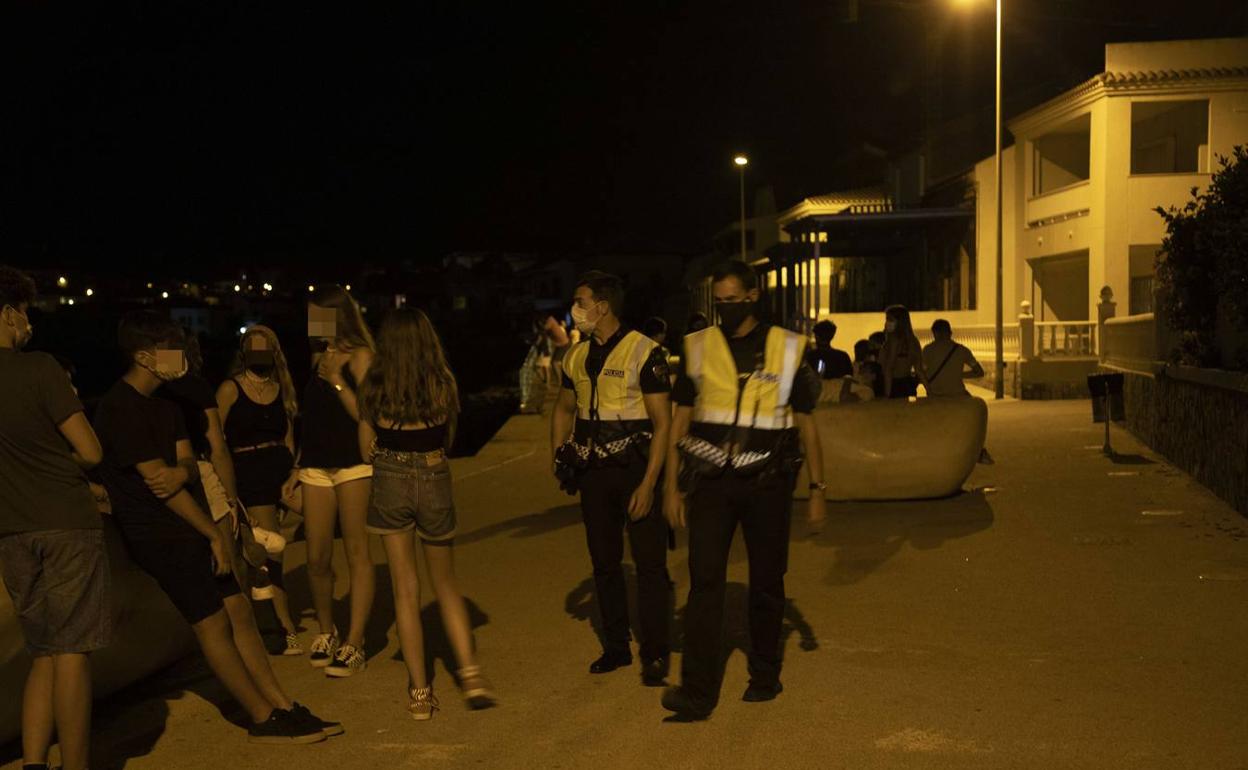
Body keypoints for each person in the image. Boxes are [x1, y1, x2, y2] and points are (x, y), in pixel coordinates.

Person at [93, 310, 337, 744]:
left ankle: (282, 703)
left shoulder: (167, 401)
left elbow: (184, 464)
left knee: (239, 611)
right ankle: (262, 717)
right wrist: (211, 533)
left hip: (191, 519)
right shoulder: (118, 407)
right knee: (212, 625)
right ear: (146, 356)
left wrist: (186, 476)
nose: (182, 355)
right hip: (160, 533)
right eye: (173, 349)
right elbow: (159, 486)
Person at [661, 260, 827, 721]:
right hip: (711, 483)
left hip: (767, 484)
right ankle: (696, 692)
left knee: (767, 582)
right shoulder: (697, 347)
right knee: (705, 581)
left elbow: (807, 424)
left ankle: (765, 674)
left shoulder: (788, 347)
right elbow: (679, 419)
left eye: (733, 301)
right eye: (720, 302)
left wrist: (817, 488)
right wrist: (671, 489)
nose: (725, 309)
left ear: (754, 296)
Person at [357, 308, 497, 721]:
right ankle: (470, 674)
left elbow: (363, 446)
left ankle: (420, 692)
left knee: (405, 589)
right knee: (445, 583)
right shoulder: (442, 383)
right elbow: (449, 436)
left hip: (390, 475)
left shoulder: (374, 386)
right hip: (433, 473)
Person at [0, 266, 110, 770]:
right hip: (65, 521)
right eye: (23, 313)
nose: (28, 324)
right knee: (71, 652)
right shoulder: (40, 367)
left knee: (41, 651)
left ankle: (33, 762)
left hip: (12, 531)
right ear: (9, 313)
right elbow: (90, 450)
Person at [551, 271, 673, 686]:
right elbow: (564, 409)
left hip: (636, 469)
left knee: (650, 565)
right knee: (604, 563)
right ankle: (617, 648)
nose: (576, 309)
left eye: (580, 301)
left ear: (602, 306)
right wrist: (560, 455)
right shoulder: (575, 356)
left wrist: (649, 483)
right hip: (593, 474)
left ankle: (655, 653)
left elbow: (663, 423)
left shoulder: (645, 352)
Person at [299, 285, 376, 677]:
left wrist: (338, 382)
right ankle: (326, 631)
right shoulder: (317, 354)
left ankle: (355, 641)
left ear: (336, 315)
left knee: (356, 553)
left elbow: (367, 413)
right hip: (315, 463)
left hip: (352, 464)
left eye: (318, 315)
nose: (312, 323)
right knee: (316, 556)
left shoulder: (361, 354)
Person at [217, 325, 302, 655]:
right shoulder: (230, 389)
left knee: (326, 518)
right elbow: (214, 437)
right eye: (252, 348)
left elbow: (289, 435)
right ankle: (282, 624)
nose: (258, 354)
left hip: (281, 468)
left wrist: (295, 468)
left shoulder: (282, 387)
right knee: (272, 550)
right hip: (249, 471)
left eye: (264, 347)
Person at [922, 319, 985, 398]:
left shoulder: (927, 350)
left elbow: (921, 373)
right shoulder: (962, 350)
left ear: (934, 333)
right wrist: (958, 374)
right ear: (950, 333)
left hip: (935, 396)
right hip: (958, 395)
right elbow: (979, 372)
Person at [879, 305, 928, 399]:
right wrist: (929, 391)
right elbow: (919, 369)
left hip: (892, 384)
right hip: (907, 383)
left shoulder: (894, 340)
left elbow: (889, 369)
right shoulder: (913, 340)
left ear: (900, 322)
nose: (886, 323)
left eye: (890, 320)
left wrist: (887, 394)